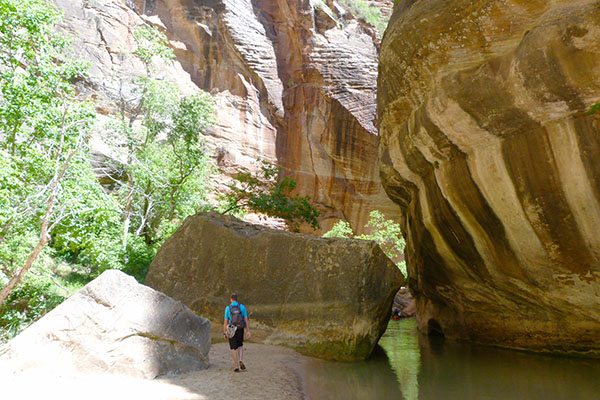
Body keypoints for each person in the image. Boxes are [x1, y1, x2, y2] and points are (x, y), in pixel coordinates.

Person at [223, 293, 251, 372]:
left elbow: (225, 321)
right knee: (240, 345)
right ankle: (240, 360)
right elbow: (246, 319)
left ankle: (236, 366)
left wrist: (224, 332)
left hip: (232, 329)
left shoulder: (228, 308)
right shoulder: (242, 307)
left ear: (231, 299)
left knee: (233, 347)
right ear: (237, 299)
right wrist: (248, 330)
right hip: (240, 328)